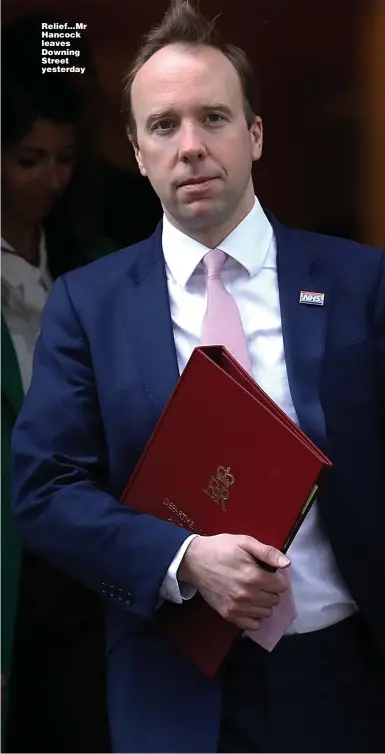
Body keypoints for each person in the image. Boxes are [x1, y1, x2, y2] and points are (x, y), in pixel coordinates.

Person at [11, 1, 385, 752]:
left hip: (346, 674)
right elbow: (43, 490)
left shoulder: (361, 283)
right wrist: (182, 561)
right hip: (171, 679)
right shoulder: (89, 304)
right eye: (163, 126)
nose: (190, 147)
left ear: (253, 134)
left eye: (212, 119)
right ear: (136, 150)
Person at [2, 67, 112, 752]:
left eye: (65, 159)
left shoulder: (90, 261)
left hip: (80, 554)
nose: (50, 178)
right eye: (28, 160)